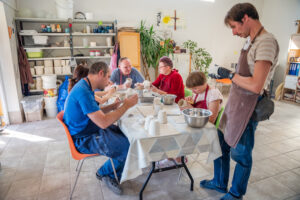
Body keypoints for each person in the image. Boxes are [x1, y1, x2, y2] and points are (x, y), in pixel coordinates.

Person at [200, 3, 279, 200]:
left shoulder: (266, 42)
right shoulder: (250, 41)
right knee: (220, 144)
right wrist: (229, 74)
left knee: (241, 155)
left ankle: (235, 194)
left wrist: (230, 75)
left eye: (234, 27)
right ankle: (219, 182)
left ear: (245, 18)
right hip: (235, 103)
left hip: (248, 107)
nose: (234, 33)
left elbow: (255, 85)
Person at [63, 62, 138, 195]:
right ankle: (105, 173)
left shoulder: (85, 85)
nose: (109, 81)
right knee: (127, 147)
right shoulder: (83, 92)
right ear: (101, 74)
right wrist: (125, 106)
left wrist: (113, 107)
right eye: (108, 77)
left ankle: (114, 169)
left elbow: (94, 111)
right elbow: (103, 122)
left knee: (129, 137)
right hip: (83, 138)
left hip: (89, 128)